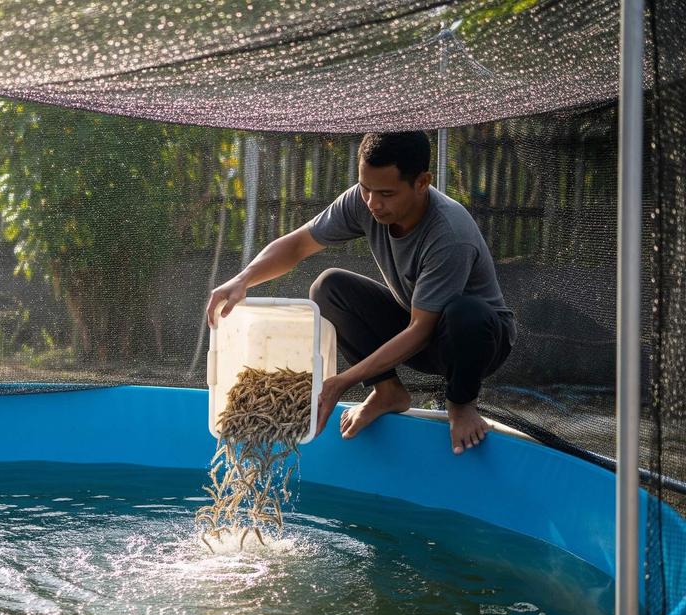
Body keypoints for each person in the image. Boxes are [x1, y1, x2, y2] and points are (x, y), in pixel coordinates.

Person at [206, 131, 516, 454]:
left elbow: (421, 331)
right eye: (366, 188)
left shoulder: (449, 234)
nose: (372, 203)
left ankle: (462, 404)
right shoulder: (363, 201)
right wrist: (243, 278)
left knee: (466, 314)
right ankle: (387, 391)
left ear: (422, 182)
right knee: (328, 288)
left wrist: (343, 381)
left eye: (386, 194)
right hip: (417, 327)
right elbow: (298, 244)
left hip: (474, 343)